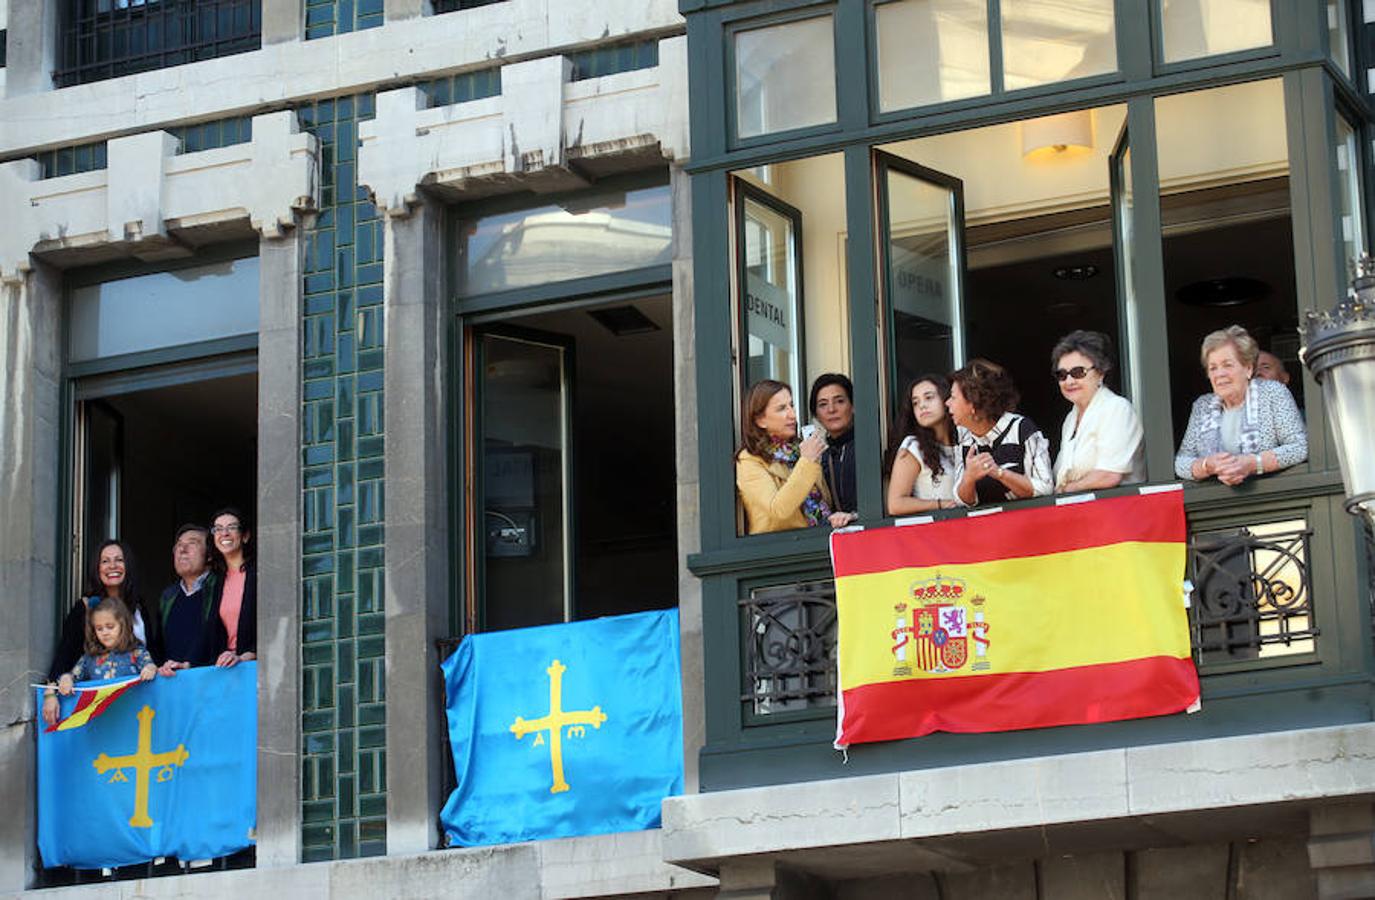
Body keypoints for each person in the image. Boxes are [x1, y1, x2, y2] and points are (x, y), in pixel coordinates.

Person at [42, 540, 158, 727]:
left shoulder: (138, 607)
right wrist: (50, 693)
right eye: (105, 561)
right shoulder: (85, 608)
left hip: (140, 705)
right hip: (99, 711)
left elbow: (153, 653)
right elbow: (65, 655)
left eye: (119, 560)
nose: (112, 566)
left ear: (127, 566)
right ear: (97, 569)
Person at [1175, 325, 1307, 485]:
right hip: (1217, 501)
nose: (1219, 374)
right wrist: (1208, 466)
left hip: (1270, 495)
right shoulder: (1202, 406)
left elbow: (1299, 447)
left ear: (1248, 369)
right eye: (1213, 368)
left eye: (1227, 365)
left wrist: (1252, 464)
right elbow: (1181, 462)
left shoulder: (1273, 392)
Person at [736, 379, 853, 534]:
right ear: (760, 420)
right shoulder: (749, 460)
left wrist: (835, 518)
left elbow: (821, 504)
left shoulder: (800, 451)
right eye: (781, 409)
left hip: (820, 540)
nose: (792, 414)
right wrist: (807, 461)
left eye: (791, 405)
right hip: (782, 551)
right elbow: (778, 511)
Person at [1050, 330, 1147, 494]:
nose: (1069, 381)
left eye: (1078, 372)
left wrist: (1065, 490)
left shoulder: (1116, 408)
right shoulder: (1070, 420)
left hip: (1115, 511)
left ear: (1100, 372)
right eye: (1062, 375)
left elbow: (1109, 475)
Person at [947, 358, 1053, 506]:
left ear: (973, 403)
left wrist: (999, 473)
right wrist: (969, 478)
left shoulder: (1021, 428)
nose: (947, 403)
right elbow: (961, 501)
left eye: (953, 397)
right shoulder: (964, 435)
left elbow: (1044, 487)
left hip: (1028, 524)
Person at [885, 375, 959, 514]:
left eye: (929, 397)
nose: (922, 406)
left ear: (947, 400)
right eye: (915, 403)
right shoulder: (913, 447)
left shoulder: (965, 441)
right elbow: (895, 504)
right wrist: (941, 504)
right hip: (935, 530)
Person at [54, 598, 157, 696]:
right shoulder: (89, 657)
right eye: (99, 629)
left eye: (110, 627)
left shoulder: (137, 652)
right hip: (102, 713)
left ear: (123, 625)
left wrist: (150, 669)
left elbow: (150, 666)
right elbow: (73, 676)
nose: (105, 632)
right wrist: (66, 679)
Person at [157, 524, 223, 676]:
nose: (182, 549)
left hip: (214, 680)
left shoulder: (220, 586)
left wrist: (190, 663)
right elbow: (158, 645)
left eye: (192, 543)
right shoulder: (168, 597)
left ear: (210, 554)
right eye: (179, 545)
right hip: (173, 681)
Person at [209, 507, 257, 668]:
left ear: (245, 536)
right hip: (225, 666)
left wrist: (250, 653)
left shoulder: (259, 573)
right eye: (218, 529)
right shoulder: (214, 581)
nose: (225, 533)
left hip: (253, 665)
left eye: (232, 527)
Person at [809, 374, 857, 518]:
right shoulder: (818, 456)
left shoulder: (870, 446)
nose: (831, 409)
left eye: (839, 401)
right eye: (823, 404)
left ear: (853, 406)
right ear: (816, 414)